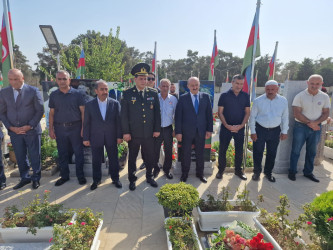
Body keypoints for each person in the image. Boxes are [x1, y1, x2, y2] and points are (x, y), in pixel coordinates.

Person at [0, 69, 44, 190]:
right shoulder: (4, 93)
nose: (13, 82)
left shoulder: (33, 91)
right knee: (20, 156)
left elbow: (39, 110)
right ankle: (25, 178)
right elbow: (2, 113)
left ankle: (36, 178)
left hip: (32, 130)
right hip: (15, 132)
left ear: (22, 78)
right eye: (10, 79)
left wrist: (30, 125)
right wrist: (11, 127)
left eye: (16, 79)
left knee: (35, 155)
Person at [121, 63, 161, 191]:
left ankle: (149, 177)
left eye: (146, 78)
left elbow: (157, 113)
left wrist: (156, 129)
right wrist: (126, 132)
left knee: (150, 156)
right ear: (135, 79)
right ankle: (132, 179)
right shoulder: (127, 94)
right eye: (141, 78)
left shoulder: (153, 93)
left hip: (149, 133)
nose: (144, 81)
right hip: (133, 133)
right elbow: (124, 116)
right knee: (132, 158)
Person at [288, 74, 330, 182]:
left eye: (317, 84)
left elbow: (326, 113)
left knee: (312, 152)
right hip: (300, 127)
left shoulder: (324, 97)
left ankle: (308, 172)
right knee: (296, 150)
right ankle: (292, 172)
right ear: (308, 83)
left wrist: (316, 123)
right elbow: (296, 113)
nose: (314, 86)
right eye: (312, 83)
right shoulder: (300, 96)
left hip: (316, 128)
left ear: (321, 84)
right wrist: (311, 123)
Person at [49, 70, 86, 186]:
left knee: (79, 153)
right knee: (62, 153)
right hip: (60, 129)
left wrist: (83, 128)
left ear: (69, 80)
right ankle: (64, 176)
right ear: (56, 81)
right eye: (59, 79)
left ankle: (81, 176)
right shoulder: (54, 95)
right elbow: (51, 113)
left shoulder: (77, 94)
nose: (62, 81)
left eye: (64, 79)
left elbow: (83, 112)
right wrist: (51, 129)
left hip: (76, 127)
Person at [83, 80, 123, 190]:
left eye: (106, 89)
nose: (105, 91)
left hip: (111, 136)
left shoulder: (115, 103)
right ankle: (96, 180)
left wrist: (120, 136)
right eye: (102, 89)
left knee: (113, 159)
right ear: (96, 91)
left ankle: (115, 179)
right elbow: (86, 123)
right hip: (96, 136)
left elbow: (119, 122)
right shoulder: (89, 105)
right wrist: (86, 138)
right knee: (96, 160)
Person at [175, 77, 213, 183]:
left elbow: (209, 115)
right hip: (186, 132)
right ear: (188, 86)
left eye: (196, 85)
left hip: (201, 131)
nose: (194, 87)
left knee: (200, 153)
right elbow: (178, 117)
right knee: (185, 153)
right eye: (192, 85)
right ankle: (184, 174)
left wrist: (209, 130)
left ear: (199, 85)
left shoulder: (205, 97)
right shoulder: (183, 98)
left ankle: (200, 174)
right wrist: (178, 132)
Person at [250, 80, 289, 182]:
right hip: (260, 129)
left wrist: (284, 131)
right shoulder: (258, 100)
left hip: (275, 130)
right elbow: (252, 117)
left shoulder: (283, 101)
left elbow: (285, 117)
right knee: (258, 152)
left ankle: (268, 173)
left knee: (272, 153)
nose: (270, 91)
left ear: (277, 89)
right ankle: (256, 172)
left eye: (273, 89)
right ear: (265, 89)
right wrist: (253, 131)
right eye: (268, 89)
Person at [216, 74, 250, 181]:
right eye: (237, 83)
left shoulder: (245, 96)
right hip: (226, 128)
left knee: (239, 151)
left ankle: (238, 171)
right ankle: (221, 170)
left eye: (241, 84)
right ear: (232, 82)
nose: (239, 86)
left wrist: (241, 126)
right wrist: (227, 125)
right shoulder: (224, 96)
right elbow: (220, 113)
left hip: (239, 129)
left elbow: (247, 113)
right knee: (222, 150)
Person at [154, 78, 178, 179]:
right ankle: (155, 169)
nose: (165, 88)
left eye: (167, 86)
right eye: (163, 86)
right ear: (159, 87)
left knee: (168, 150)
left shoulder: (173, 99)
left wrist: (175, 129)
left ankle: (166, 170)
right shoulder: (155, 98)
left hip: (168, 129)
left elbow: (177, 115)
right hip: (157, 129)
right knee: (155, 150)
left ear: (170, 87)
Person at [139, 71, 159, 170]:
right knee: (144, 146)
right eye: (149, 78)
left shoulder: (158, 92)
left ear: (155, 81)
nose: (150, 81)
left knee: (156, 145)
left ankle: (156, 162)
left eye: (152, 79)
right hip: (145, 126)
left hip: (156, 125)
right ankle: (145, 161)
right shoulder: (143, 92)